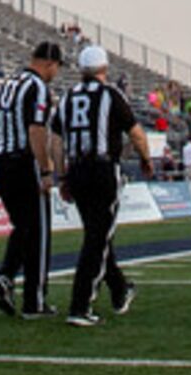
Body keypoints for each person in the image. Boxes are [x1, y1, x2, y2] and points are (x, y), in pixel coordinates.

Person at [53, 45, 149, 326]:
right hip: (103, 169)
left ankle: (120, 290)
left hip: (78, 169)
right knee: (97, 239)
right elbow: (137, 134)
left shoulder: (67, 97)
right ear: (104, 69)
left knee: (98, 234)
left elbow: (55, 141)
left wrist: (61, 176)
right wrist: (145, 158)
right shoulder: (111, 95)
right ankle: (80, 305)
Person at [0, 40, 64, 318]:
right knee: (38, 234)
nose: (54, 73)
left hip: (4, 161)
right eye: (55, 68)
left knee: (24, 227)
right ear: (48, 64)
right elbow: (36, 130)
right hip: (25, 163)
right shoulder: (38, 87)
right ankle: (35, 300)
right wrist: (45, 169)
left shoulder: (9, 84)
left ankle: (7, 276)